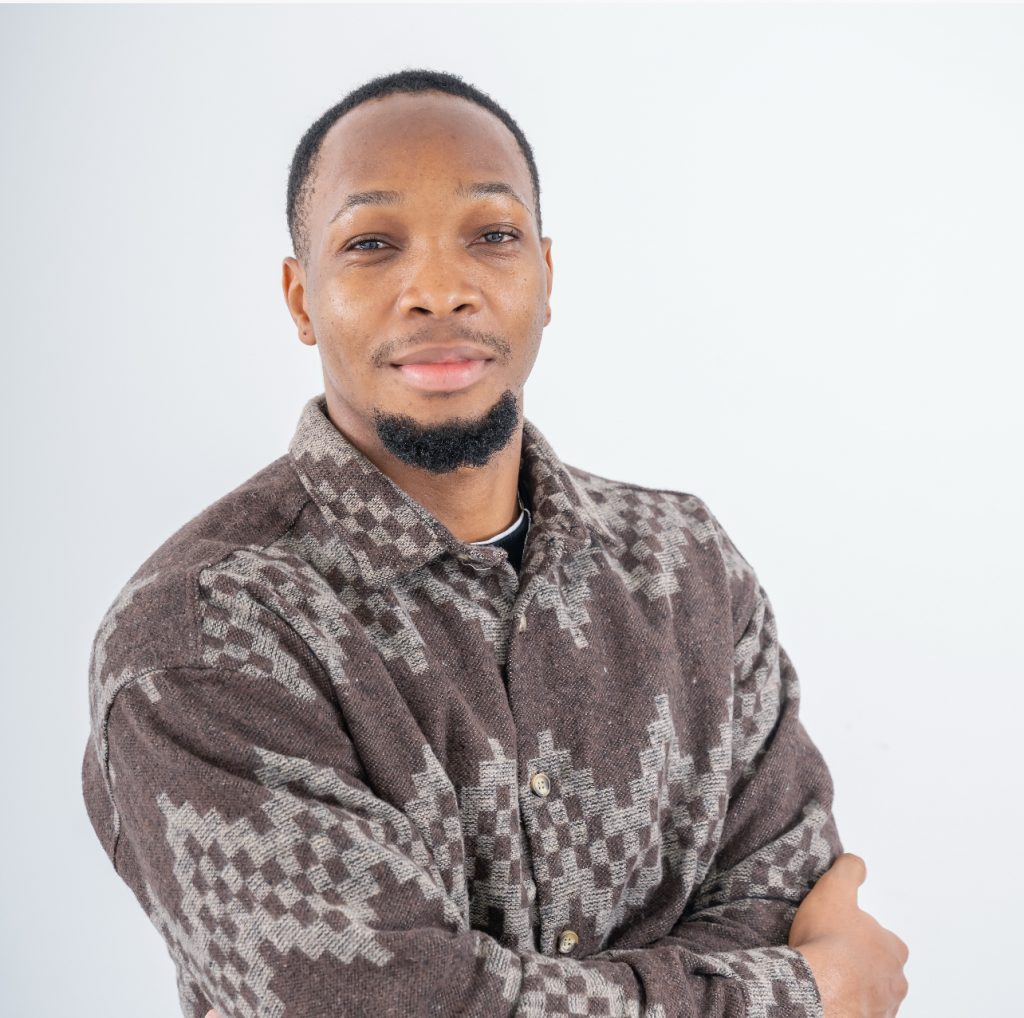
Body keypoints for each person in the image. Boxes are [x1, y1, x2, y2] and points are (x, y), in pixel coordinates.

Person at [81, 68, 908, 1018]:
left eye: (493, 235)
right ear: (300, 296)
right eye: (373, 243)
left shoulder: (687, 566)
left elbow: (785, 900)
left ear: (546, 277)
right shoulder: (202, 637)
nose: (439, 289)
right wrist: (795, 999)